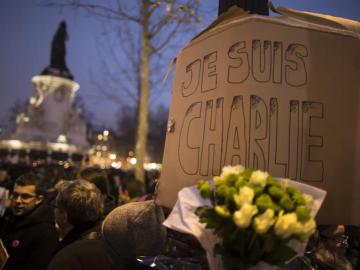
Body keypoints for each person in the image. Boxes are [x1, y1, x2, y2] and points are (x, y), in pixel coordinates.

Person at [47, 179, 114, 270]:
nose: (53, 211)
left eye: (55, 206)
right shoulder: (112, 241)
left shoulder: (67, 260)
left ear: (64, 216)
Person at [0, 172, 58, 270]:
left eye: (25, 197)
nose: (18, 201)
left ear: (38, 199)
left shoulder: (45, 232)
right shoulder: (11, 218)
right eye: (15, 195)